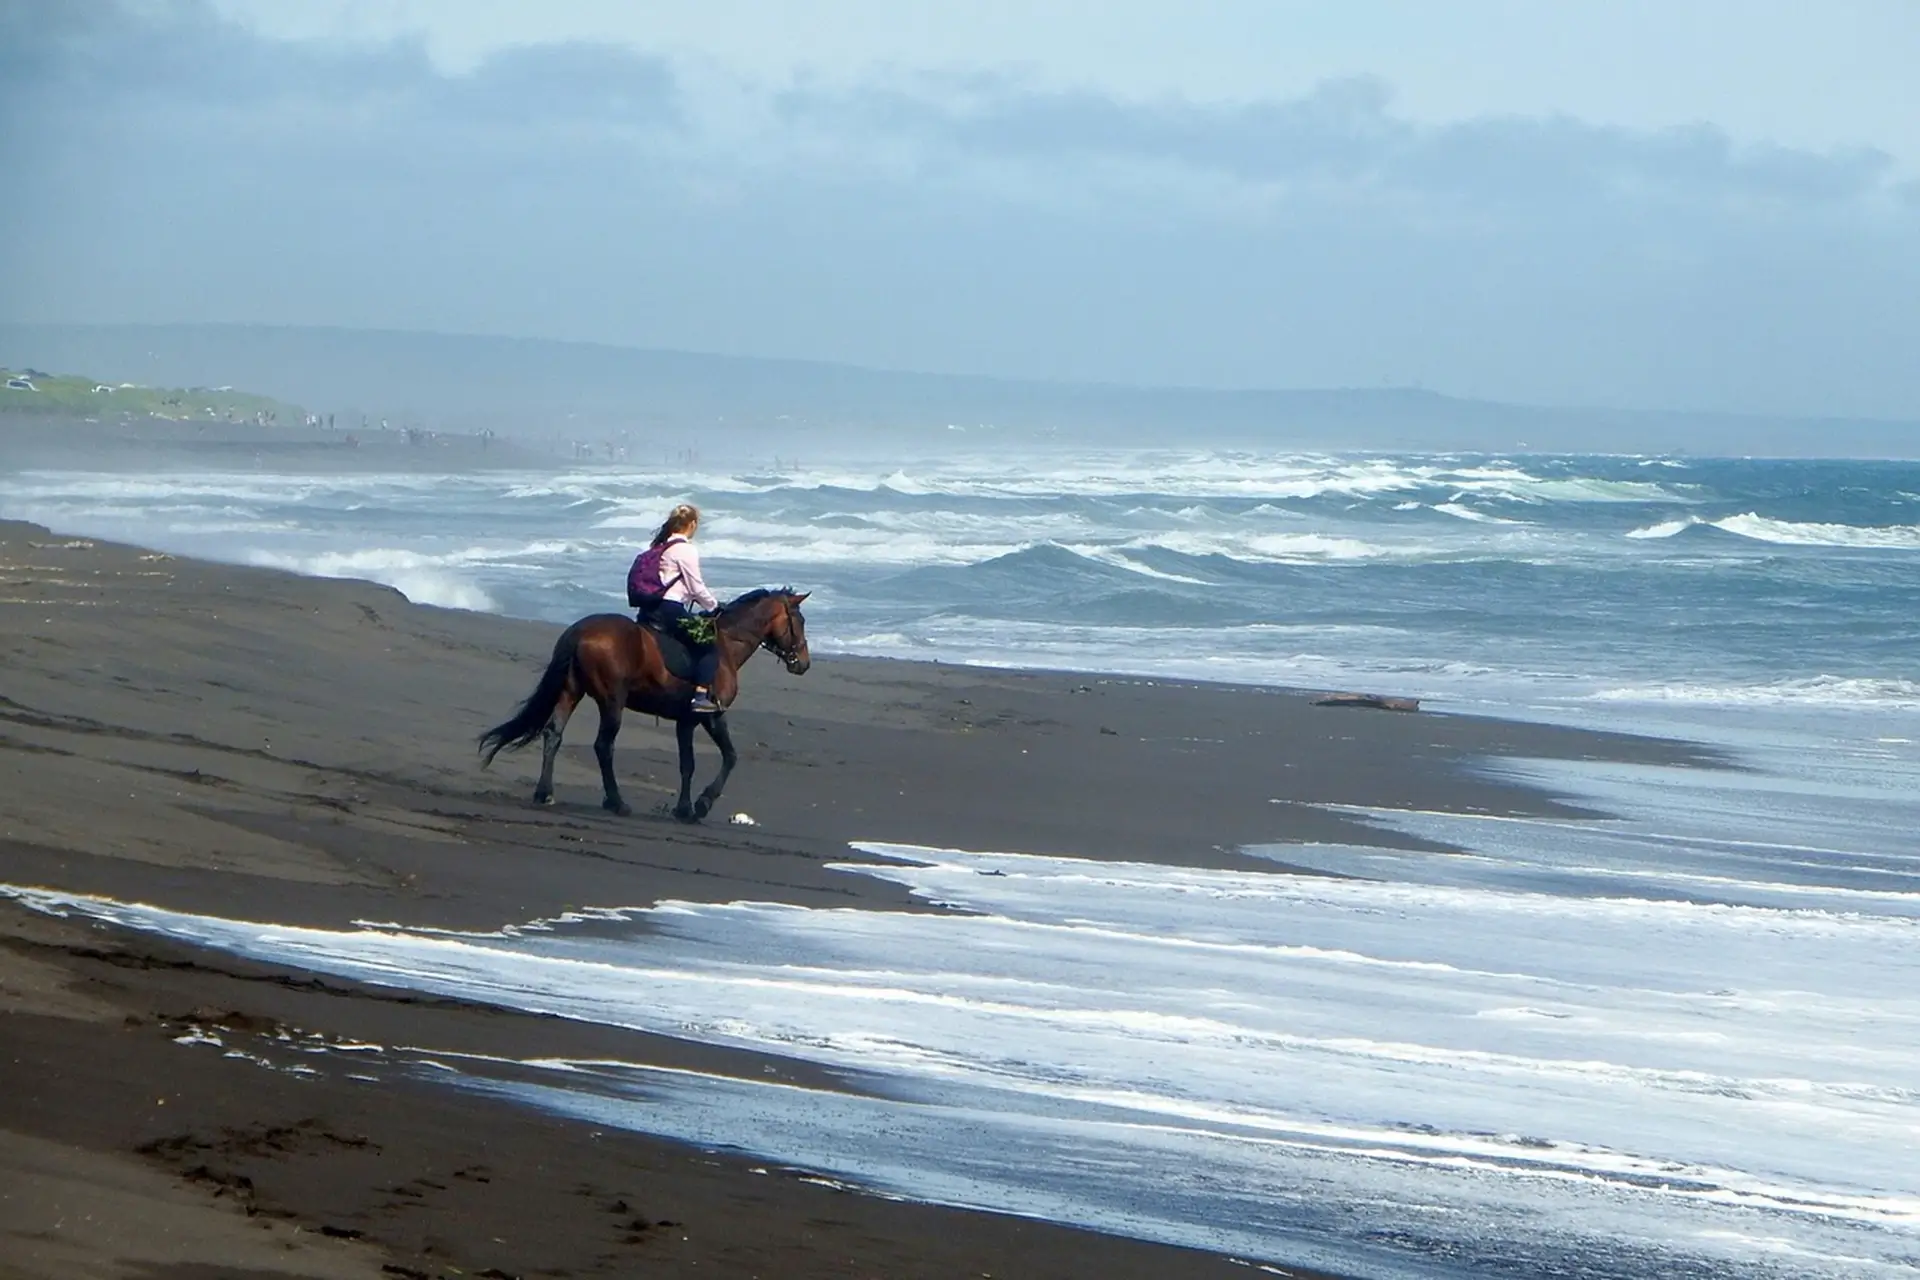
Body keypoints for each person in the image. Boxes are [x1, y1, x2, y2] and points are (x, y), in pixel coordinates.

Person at [641, 503, 722, 714]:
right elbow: (696, 587)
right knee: (709, 646)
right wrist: (714, 606)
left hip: (649, 609)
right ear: (692, 524)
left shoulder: (660, 547)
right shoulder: (686, 550)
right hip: (670, 609)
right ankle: (700, 696)